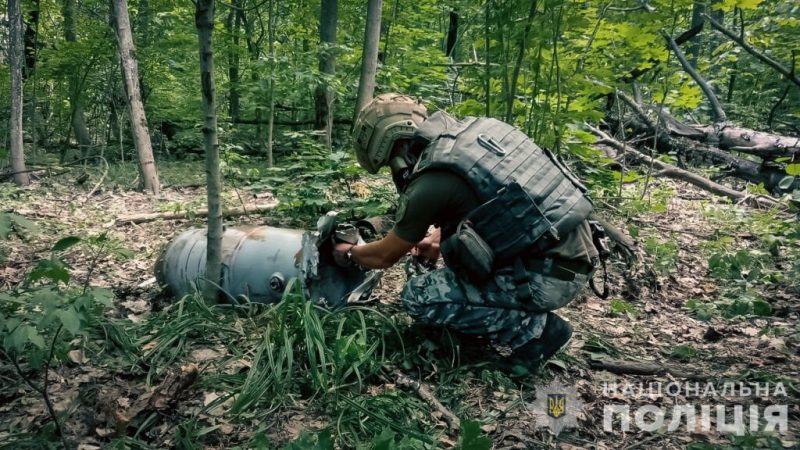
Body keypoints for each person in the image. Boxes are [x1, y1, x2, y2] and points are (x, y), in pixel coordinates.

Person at [334, 93, 598, 372]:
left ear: (389, 146)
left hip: (547, 277)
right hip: (573, 257)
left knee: (418, 297)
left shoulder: (430, 181)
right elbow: (496, 201)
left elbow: (385, 256)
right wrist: (438, 235)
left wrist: (350, 253)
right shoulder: (472, 138)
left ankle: (535, 332)